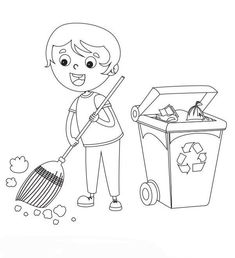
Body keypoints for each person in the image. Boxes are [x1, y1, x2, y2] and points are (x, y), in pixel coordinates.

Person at [45, 23, 123, 211]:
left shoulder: (100, 98)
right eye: (64, 61)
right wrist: (71, 137)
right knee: (91, 168)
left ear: (111, 69)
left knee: (111, 167)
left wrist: (98, 118)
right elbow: (71, 121)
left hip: (111, 139)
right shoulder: (78, 101)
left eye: (89, 63)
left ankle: (114, 198)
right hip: (89, 141)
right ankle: (90, 195)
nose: (76, 68)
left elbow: (111, 121)